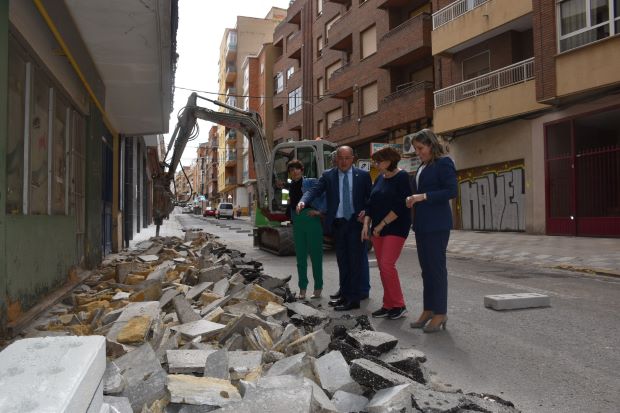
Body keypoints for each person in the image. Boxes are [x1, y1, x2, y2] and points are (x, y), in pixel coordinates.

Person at [297, 146, 372, 311]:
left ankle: (353, 299)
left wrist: (367, 211)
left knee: (354, 262)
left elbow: (370, 199)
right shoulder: (328, 175)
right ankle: (344, 295)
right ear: (336, 159)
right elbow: (314, 191)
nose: (344, 161)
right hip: (338, 224)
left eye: (347, 158)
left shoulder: (363, 176)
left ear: (353, 158)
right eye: (341, 158)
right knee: (343, 261)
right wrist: (303, 201)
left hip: (355, 223)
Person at [406, 129, 457, 333]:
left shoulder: (443, 163)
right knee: (426, 270)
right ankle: (428, 309)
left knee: (436, 270)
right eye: (416, 149)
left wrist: (423, 196)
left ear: (431, 145)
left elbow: (451, 191)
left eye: (421, 148)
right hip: (422, 225)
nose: (418, 152)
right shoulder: (423, 166)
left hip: (437, 225)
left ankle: (441, 312)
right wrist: (412, 199)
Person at [361, 147, 412, 320]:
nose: (376, 164)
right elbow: (370, 204)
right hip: (377, 228)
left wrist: (381, 224)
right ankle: (388, 304)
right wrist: (366, 224)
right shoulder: (379, 179)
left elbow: (401, 205)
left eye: (378, 161)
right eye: (375, 161)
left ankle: (399, 305)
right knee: (383, 268)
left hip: (395, 227)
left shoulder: (403, 177)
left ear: (389, 161)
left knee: (387, 264)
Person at [285, 159, 326, 300]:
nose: (294, 171)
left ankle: (318, 288)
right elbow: (289, 204)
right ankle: (302, 288)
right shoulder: (289, 186)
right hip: (297, 221)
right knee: (300, 257)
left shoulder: (310, 182)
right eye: (291, 170)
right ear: (289, 173)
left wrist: (320, 212)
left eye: (297, 169)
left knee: (316, 256)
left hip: (311, 219)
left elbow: (325, 193)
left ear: (302, 170)